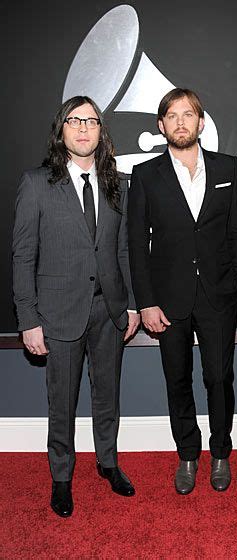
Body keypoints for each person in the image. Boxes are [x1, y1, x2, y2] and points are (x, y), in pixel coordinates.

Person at [12, 96, 140, 517]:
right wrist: (28, 320)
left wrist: (133, 306)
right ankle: (62, 477)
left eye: (92, 121)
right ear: (62, 129)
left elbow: (124, 250)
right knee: (61, 402)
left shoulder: (119, 183)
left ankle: (108, 463)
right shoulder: (36, 183)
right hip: (58, 314)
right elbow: (23, 256)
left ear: (102, 132)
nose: (84, 128)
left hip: (110, 312)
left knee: (108, 397)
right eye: (75, 120)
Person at [128, 88, 237, 494]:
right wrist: (145, 301)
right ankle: (187, 455)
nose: (181, 121)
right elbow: (135, 245)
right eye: (172, 115)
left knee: (219, 378)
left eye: (189, 114)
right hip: (168, 300)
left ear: (200, 121)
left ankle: (220, 453)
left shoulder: (228, 168)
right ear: (161, 125)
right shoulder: (145, 175)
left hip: (219, 297)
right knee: (177, 380)